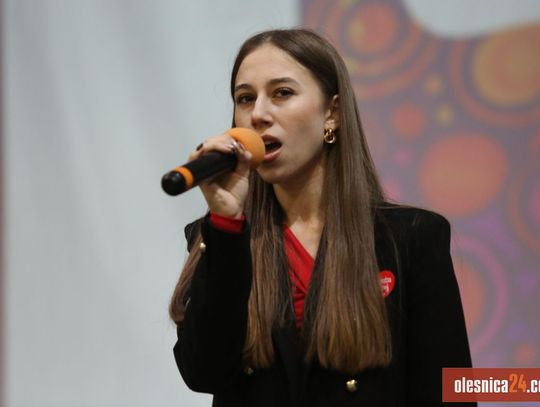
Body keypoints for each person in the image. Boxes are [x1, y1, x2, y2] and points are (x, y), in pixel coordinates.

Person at [169, 28, 475, 407]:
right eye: (245, 98)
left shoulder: (412, 237)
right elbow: (203, 373)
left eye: (282, 93)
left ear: (332, 113)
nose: (258, 114)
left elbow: (452, 391)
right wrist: (227, 223)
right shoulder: (219, 235)